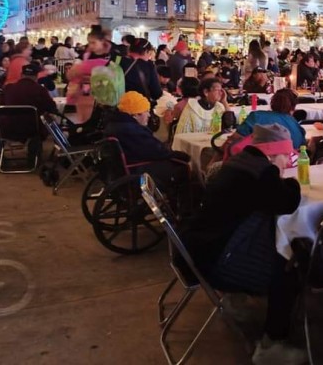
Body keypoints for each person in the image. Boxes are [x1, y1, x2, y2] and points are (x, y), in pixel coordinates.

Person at [183, 123, 304, 365]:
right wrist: (290, 180)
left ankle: (234, 300)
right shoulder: (263, 174)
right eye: (286, 156)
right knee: (290, 272)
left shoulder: (240, 162)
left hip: (195, 248)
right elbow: (288, 201)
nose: (288, 161)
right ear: (273, 153)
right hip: (216, 260)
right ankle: (272, 345)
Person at [103, 91, 191, 186]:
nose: (149, 115)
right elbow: (156, 151)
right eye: (146, 111)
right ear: (136, 114)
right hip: (137, 169)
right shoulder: (133, 131)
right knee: (183, 167)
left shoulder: (116, 124)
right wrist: (176, 154)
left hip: (123, 168)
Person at [230, 89, 306, 150]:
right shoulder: (297, 127)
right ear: (293, 107)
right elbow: (302, 150)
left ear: (272, 103)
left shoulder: (256, 116)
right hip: (290, 166)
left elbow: (235, 139)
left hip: (256, 165)